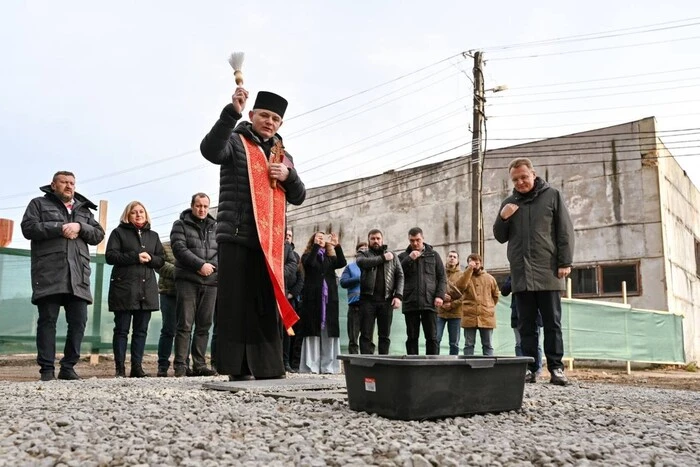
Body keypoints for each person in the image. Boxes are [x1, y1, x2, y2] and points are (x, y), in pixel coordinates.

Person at [200, 87, 306, 381]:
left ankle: (268, 367)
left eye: (275, 118)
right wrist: (229, 114)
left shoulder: (283, 157)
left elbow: (299, 195)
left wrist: (289, 176)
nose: (269, 121)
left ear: (280, 124)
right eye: (264, 115)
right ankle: (236, 368)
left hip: (269, 242)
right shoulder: (235, 141)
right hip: (236, 235)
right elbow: (210, 151)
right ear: (251, 115)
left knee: (263, 304)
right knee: (235, 304)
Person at [493, 157, 575, 386]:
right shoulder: (509, 203)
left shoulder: (552, 196)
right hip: (521, 275)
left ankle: (556, 369)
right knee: (525, 325)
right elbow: (500, 236)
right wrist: (503, 217)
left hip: (548, 271)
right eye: (515, 179)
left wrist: (564, 261)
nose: (520, 182)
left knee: (552, 324)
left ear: (533, 174)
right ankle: (530, 368)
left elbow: (565, 231)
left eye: (523, 177)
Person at [21, 171, 106, 381]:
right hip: (49, 272)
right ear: (53, 184)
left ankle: (68, 367)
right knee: (47, 320)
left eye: (72, 183)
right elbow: (28, 228)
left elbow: (98, 234)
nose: (69, 186)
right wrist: (59, 228)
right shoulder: (38, 204)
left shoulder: (84, 209)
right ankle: (47, 370)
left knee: (78, 321)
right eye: (64, 182)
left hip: (78, 274)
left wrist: (80, 226)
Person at [106, 201, 164, 378]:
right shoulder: (118, 233)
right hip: (124, 289)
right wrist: (135, 257)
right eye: (134, 212)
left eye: (141, 212)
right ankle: (120, 368)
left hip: (146, 290)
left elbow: (161, 260)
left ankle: (137, 368)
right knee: (122, 329)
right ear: (127, 215)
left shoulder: (153, 236)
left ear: (146, 215)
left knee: (141, 330)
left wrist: (151, 258)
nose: (138, 215)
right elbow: (111, 256)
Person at [170, 193, 218, 377]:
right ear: (192, 206)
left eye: (205, 206)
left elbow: (221, 250)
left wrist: (211, 268)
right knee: (185, 324)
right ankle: (181, 365)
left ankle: (199, 364)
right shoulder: (180, 225)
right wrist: (199, 265)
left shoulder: (216, 227)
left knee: (204, 325)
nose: (202, 210)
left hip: (212, 281)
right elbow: (179, 248)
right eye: (199, 206)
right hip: (188, 280)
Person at [298, 232, 347, 374]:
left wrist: (336, 245)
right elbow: (310, 264)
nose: (321, 239)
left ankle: (329, 367)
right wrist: (315, 247)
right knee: (313, 332)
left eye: (322, 237)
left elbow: (342, 262)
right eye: (317, 237)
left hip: (329, 299)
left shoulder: (330, 257)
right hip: (313, 299)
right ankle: (311, 366)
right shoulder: (307, 256)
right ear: (312, 240)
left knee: (329, 333)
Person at [399, 227, 446, 355]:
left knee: (432, 337)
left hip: (429, 302)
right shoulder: (403, 256)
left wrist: (440, 296)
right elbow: (397, 274)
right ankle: (412, 367)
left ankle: (433, 368)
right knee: (412, 337)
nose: (415, 243)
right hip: (410, 302)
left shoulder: (434, 255)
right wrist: (409, 259)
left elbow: (442, 277)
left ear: (423, 239)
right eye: (412, 240)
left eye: (417, 240)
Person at [356, 229, 404, 355]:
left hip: (386, 300)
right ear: (369, 240)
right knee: (366, 335)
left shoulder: (392, 256)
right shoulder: (363, 254)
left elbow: (400, 275)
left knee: (384, 335)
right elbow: (362, 263)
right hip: (367, 300)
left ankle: (384, 363)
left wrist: (398, 296)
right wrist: (383, 258)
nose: (376, 241)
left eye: (378, 238)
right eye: (373, 238)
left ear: (382, 239)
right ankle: (367, 364)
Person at [454, 253, 499, 356]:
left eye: (477, 263)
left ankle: (488, 369)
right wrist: (469, 270)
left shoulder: (490, 278)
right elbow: (459, 287)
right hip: (469, 315)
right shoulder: (464, 276)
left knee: (487, 344)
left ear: (481, 263)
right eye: (471, 263)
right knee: (469, 344)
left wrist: (489, 306)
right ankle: (468, 369)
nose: (474, 265)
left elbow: (495, 296)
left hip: (486, 315)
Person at [501, 275, 544, 377]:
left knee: (537, 344)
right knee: (519, 344)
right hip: (517, 314)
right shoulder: (513, 275)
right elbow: (504, 291)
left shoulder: (537, 273)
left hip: (535, 315)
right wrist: (515, 278)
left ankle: (536, 371)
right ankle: (522, 370)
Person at [340, 241, 369, 354]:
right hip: (355, 307)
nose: (363, 251)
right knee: (353, 339)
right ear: (356, 253)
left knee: (367, 338)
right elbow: (343, 282)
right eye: (361, 250)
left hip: (369, 307)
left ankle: (367, 364)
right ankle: (354, 364)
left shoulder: (373, 266)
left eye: (366, 249)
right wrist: (359, 279)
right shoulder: (350, 267)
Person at [283, 229, 304, 372]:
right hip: (275, 296)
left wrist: (291, 294)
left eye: (290, 236)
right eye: (286, 235)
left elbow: (300, 278)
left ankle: (286, 362)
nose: (287, 238)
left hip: (289, 299)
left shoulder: (296, 256)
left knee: (288, 332)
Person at [437, 250, 463, 355]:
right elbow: (433, 288)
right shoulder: (439, 273)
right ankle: (434, 363)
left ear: (457, 261)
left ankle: (454, 364)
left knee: (454, 343)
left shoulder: (462, 275)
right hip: (440, 312)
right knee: (436, 339)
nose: (452, 258)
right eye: (450, 256)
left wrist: (452, 304)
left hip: (456, 313)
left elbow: (465, 295)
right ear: (446, 258)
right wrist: (441, 297)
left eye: (454, 257)